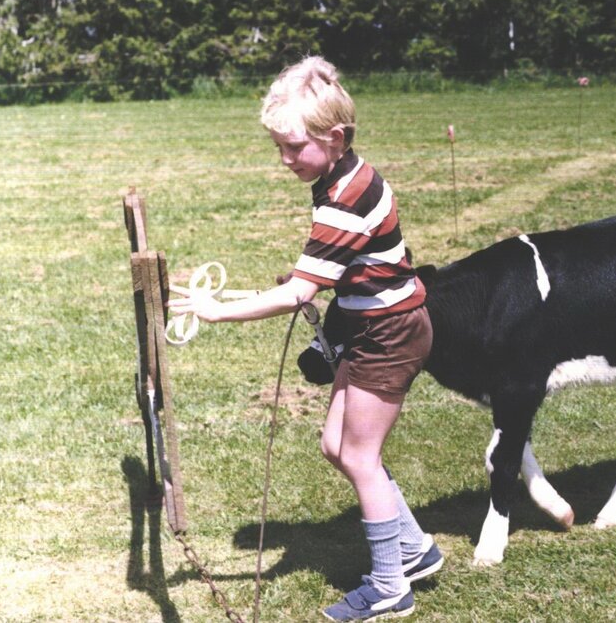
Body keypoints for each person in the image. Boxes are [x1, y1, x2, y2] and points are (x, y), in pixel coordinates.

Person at [168, 56, 441, 621]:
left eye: (294, 147)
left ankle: (390, 586)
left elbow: (296, 294)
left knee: (360, 456)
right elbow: (331, 270)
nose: (285, 160)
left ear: (335, 137)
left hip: (390, 333)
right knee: (336, 447)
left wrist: (217, 313)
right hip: (371, 325)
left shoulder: (345, 198)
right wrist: (311, 281)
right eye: (278, 148)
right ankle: (415, 549)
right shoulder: (340, 178)